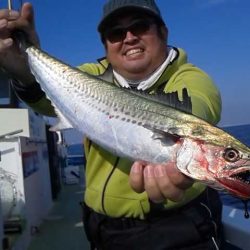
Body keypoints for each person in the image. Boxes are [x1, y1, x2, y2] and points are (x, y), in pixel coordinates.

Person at [0, 0, 223, 249]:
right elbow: (45, 102)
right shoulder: (90, 75)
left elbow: (198, 107)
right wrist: (22, 69)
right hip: (101, 231)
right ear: (106, 45)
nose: (128, 38)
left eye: (139, 26)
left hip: (179, 229)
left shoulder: (190, 77)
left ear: (163, 32)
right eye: (115, 33)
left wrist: (185, 143)